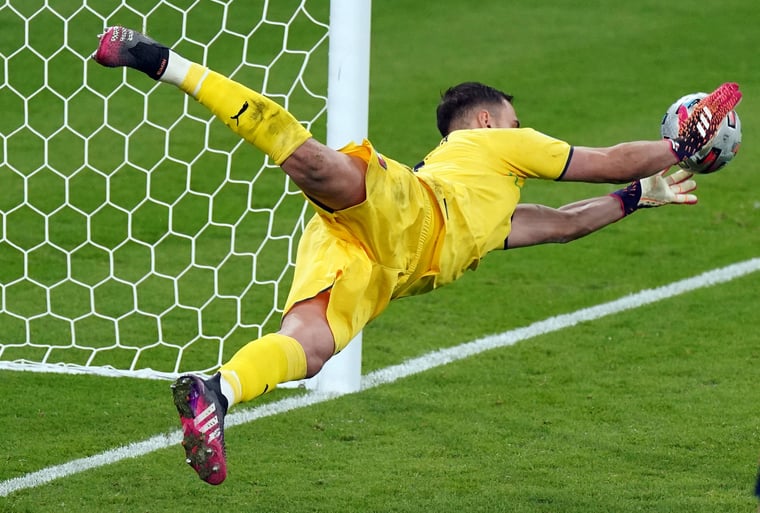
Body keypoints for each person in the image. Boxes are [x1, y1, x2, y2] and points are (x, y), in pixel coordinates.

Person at [92, 26, 741, 485]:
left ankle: (216, 391)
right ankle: (162, 62)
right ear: (489, 122)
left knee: (310, 348)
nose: (521, 127)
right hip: (406, 208)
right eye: (514, 117)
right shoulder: (494, 147)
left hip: (377, 266)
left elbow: (565, 223)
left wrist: (638, 196)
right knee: (310, 160)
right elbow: (597, 163)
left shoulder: (491, 211)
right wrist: (676, 149)